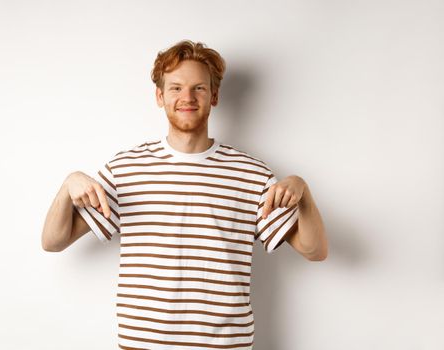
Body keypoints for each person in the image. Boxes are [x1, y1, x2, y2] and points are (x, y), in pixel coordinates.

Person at [41, 39, 328, 349]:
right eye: (176, 88)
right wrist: (68, 184)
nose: (187, 97)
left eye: (199, 88)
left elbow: (315, 251)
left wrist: (303, 191)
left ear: (214, 95)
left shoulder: (251, 174)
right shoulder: (126, 170)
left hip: (224, 345)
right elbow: (53, 241)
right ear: (160, 96)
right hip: (143, 343)